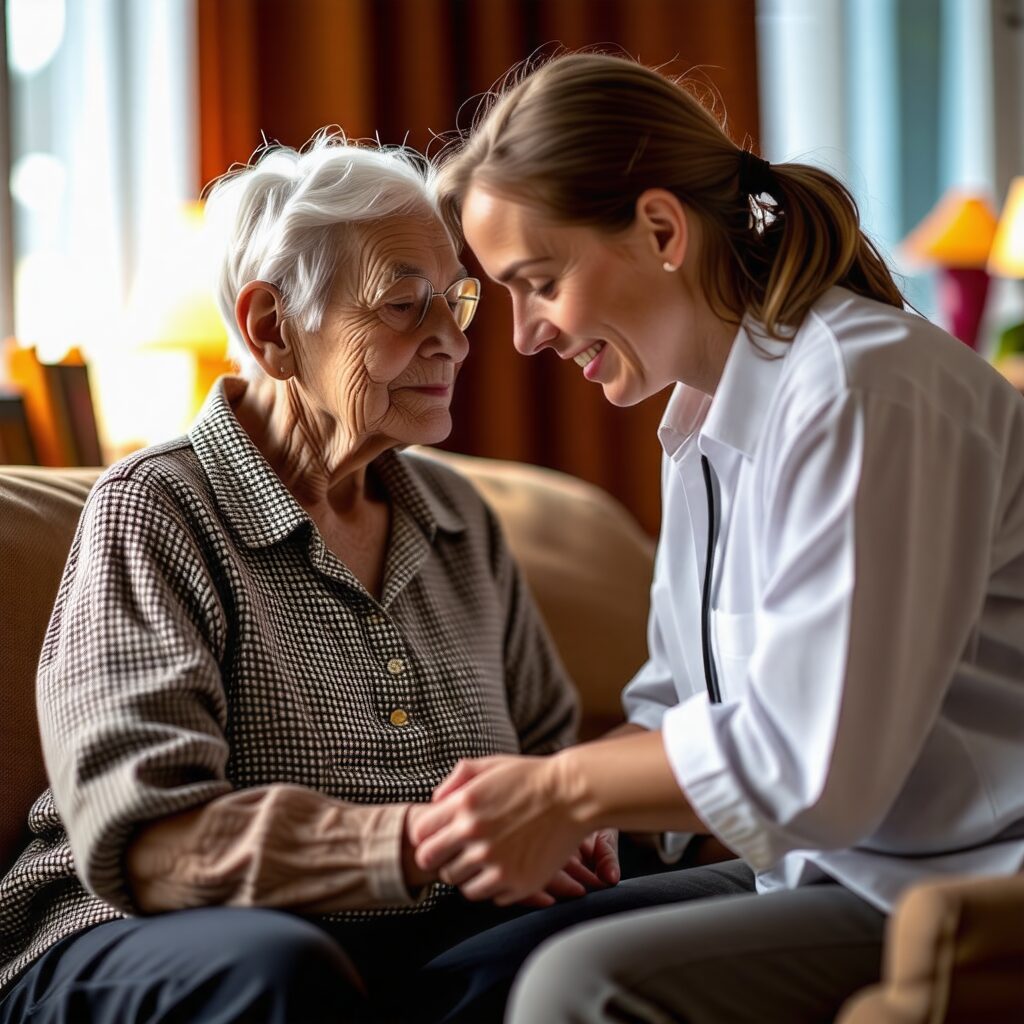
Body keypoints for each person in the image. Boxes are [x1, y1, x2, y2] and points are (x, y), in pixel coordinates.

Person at [408, 52, 1024, 1023]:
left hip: (965, 879)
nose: (522, 335)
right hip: (841, 870)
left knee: (579, 987)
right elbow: (677, 701)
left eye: (540, 281)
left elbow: (812, 764)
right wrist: (592, 821)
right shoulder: (703, 418)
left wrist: (569, 789)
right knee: (466, 964)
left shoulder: (865, 391)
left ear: (659, 229)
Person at [0, 132, 594, 1023]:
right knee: (282, 969)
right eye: (402, 305)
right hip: (140, 931)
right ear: (272, 328)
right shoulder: (157, 508)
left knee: (642, 932)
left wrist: (584, 832)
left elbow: (554, 756)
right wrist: (430, 840)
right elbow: (154, 844)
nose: (455, 344)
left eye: (456, 302)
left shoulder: (461, 521)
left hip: (421, 933)